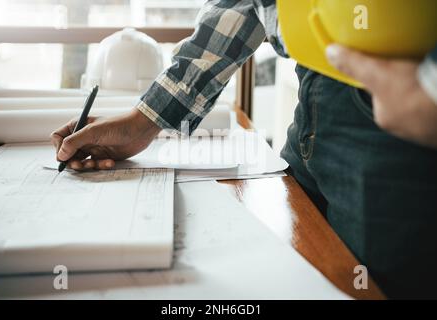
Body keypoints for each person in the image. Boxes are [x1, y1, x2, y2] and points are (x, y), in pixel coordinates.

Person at [51, 1, 437, 298]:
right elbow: (237, 10)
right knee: (301, 277)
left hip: (399, 110)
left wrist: (431, 88)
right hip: (312, 102)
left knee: (379, 289)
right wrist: (143, 121)